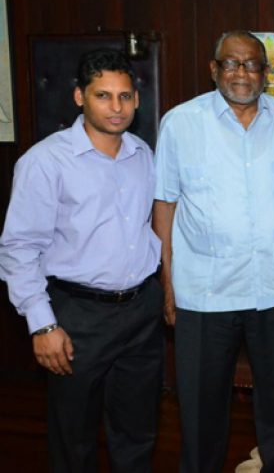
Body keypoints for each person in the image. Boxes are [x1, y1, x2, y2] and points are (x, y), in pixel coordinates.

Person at [153, 30, 274, 473]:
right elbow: (164, 205)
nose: (241, 72)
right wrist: (167, 285)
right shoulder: (180, 123)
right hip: (204, 293)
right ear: (214, 70)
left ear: (266, 74)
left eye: (251, 64)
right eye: (231, 63)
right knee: (199, 410)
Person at [0, 49, 163, 472]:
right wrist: (43, 324)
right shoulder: (43, 162)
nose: (116, 107)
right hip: (77, 316)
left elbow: (150, 227)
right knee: (74, 438)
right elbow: (19, 248)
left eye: (125, 96)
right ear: (79, 97)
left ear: (136, 100)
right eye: (103, 96)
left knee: (138, 431)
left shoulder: (143, 154)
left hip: (141, 311)